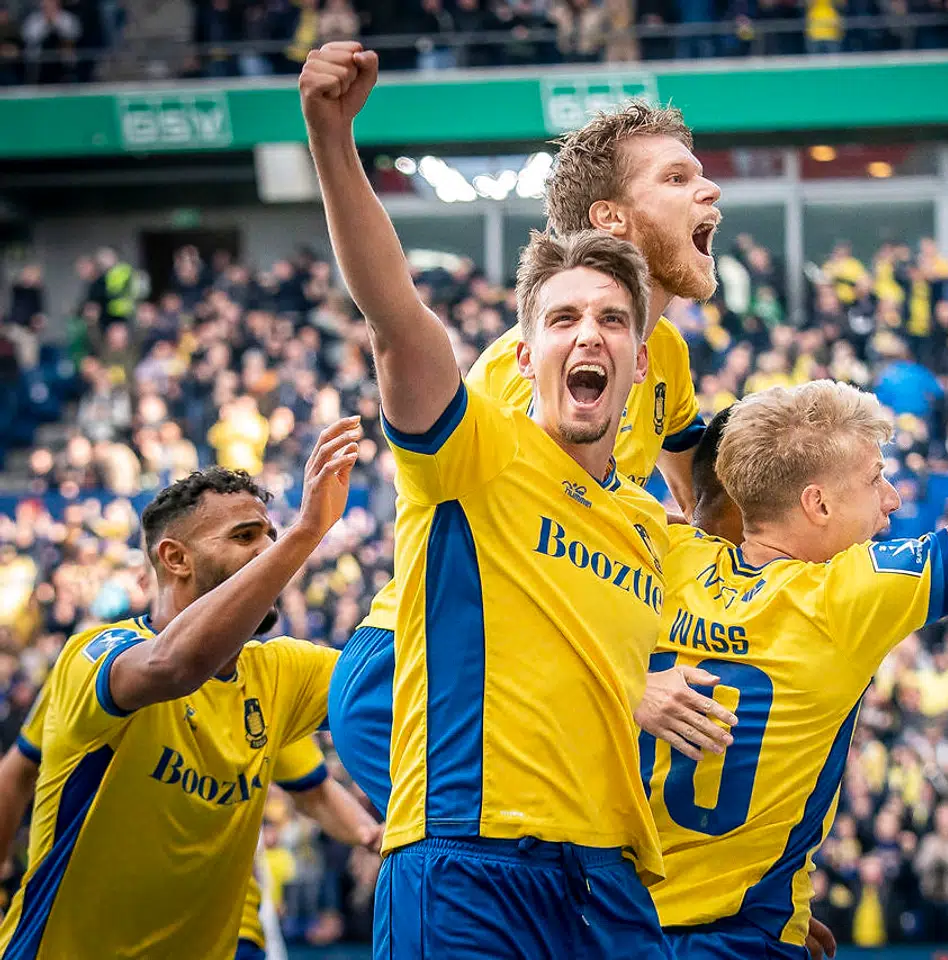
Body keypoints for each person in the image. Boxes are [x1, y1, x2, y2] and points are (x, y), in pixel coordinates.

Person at [303, 42, 680, 957]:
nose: (587, 335)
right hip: (467, 867)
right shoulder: (473, 451)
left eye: (611, 321)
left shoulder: (650, 530)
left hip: (613, 889)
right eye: (561, 319)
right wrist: (331, 139)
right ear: (522, 358)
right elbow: (395, 316)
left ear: (639, 362)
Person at [646, 287, 948, 958]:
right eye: (875, 477)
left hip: (614, 924)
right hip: (739, 937)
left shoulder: (657, 555)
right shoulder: (842, 598)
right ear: (818, 503)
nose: (892, 498)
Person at [0, 421, 361, 959]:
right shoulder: (94, 656)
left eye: (271, 536)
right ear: (175, 558)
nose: (267, 551)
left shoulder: (283, 671)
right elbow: (175, 665)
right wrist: (306, 533)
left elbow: (401, 687)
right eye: (245, 537)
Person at [0, 686, 381, 960]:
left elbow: (314, 792)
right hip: (96, 933)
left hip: (229, 934)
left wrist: (372, 834)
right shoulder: (100, 662)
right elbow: (14, 775)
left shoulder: (263, 684)